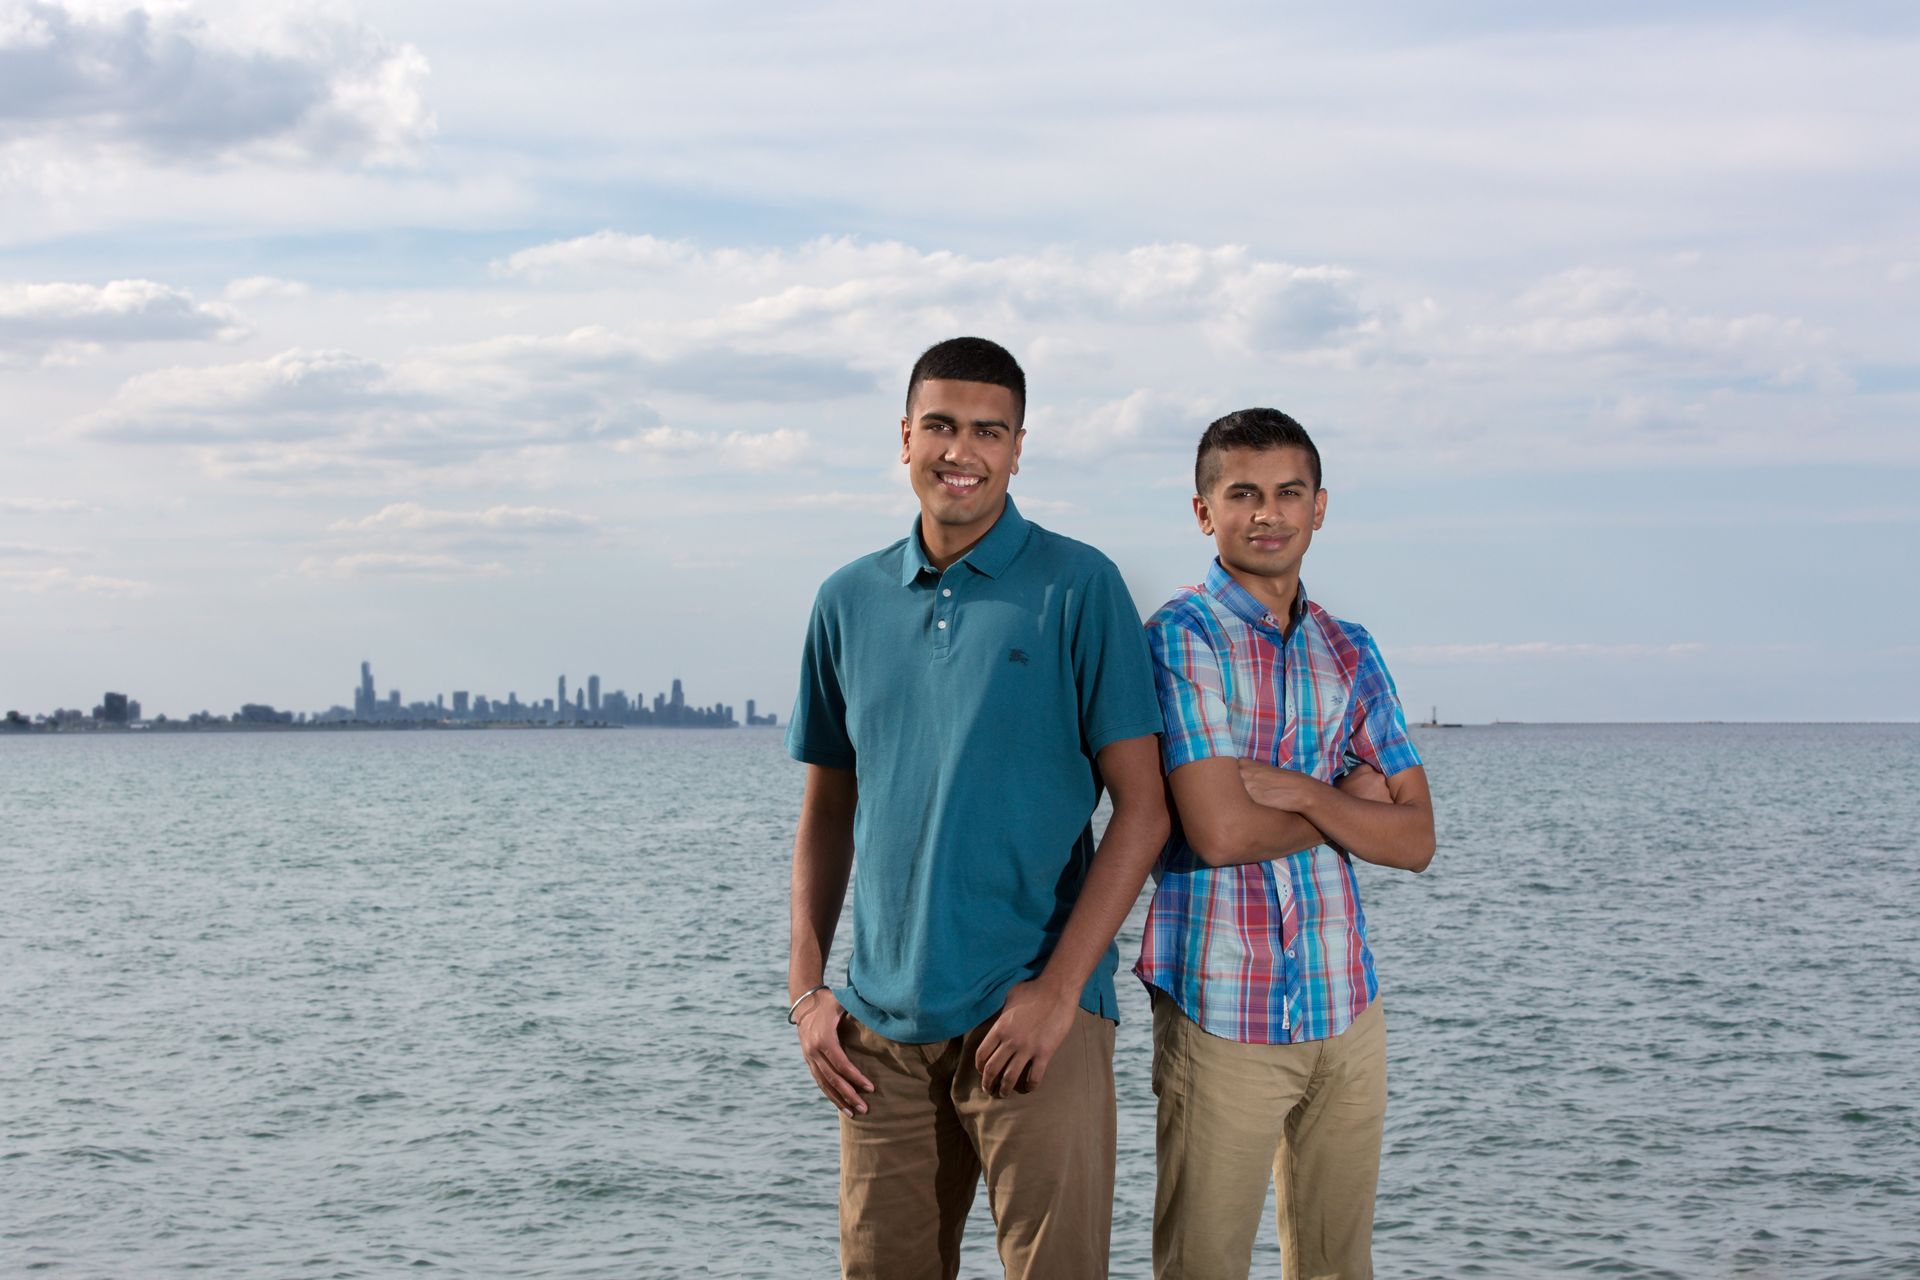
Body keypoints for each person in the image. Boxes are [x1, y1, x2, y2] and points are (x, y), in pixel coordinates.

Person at [784, 336, 1169, 1280]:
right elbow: (827, 815)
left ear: (1019, 446)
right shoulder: (846, 600)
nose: (963, 450)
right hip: (877, 1030)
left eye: (988, 431)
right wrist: (805, 992)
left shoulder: (1079, 586)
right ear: (905, 436)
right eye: (943, 426)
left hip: (1036, 1015)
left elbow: (1146, 811)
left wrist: (1055, 995)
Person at [1136, 407, 1436, 1280]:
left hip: (1347, 1001)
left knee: (1342, 1268)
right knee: (1205, 1267)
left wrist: (1302, 793)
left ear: (1319, 507)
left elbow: (1416, 838)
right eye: (1243, 495)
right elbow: (1218, 830)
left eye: (1287, 494)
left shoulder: (1352, 649)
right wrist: (1347, 804)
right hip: (1220, 1003)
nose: (1267, 513)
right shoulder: (1179, 638)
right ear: (1204, 512)